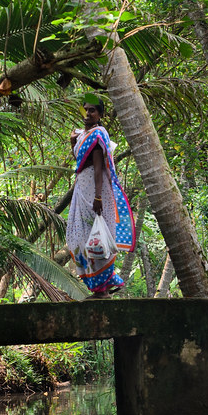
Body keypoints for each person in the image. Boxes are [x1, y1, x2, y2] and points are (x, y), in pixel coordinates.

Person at [65, 99, 136, 298]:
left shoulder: (98, 135)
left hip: (94, 191)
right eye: (85, 109)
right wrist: (73, 142)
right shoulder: (82, 135)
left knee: (95, 238)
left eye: (92, 110)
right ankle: (99, 286)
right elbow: (79, 160)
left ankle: (102, 289)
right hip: (81, 187)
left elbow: (97, 167)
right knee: (80, 237)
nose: (88, 113)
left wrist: (98, 197)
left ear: (100, 114)